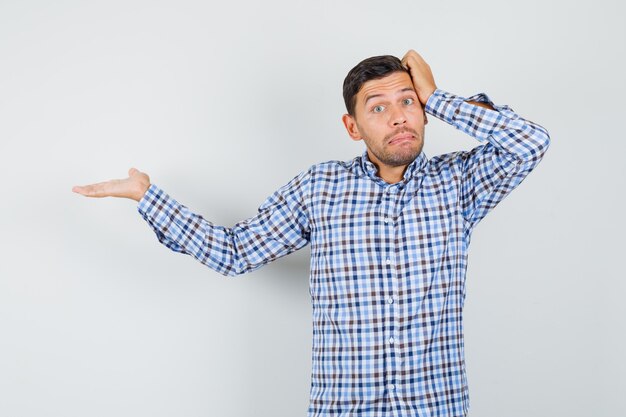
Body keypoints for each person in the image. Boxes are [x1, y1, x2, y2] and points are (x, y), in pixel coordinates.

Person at [72, 50, 550, 417]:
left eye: (408, 101)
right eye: (378, 107)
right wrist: (147, 196)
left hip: (436, 405)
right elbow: (235, 251)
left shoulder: (459, 183)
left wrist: (438, 95)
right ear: (352, 126)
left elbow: (532, 142)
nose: (400, 115)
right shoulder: (320, 188)